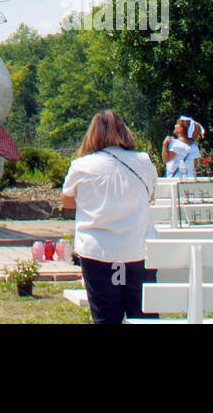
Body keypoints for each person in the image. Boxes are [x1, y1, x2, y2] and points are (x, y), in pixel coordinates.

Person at [61, 110, 158, 323]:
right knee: (145, 316)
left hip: (99, 251)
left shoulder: (82, 166)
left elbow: (67, 202)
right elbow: (150, 196)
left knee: (106, 317)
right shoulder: (143, 161)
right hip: (138, 250)